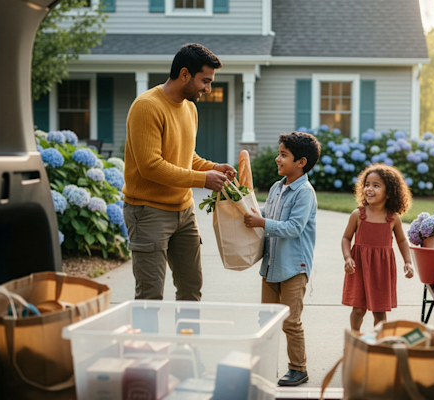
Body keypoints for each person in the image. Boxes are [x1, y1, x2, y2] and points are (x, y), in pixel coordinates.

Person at [123, 43, 236, 301]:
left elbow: (186, 157)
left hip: (184, 213)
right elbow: (151, 166)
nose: (208, 89)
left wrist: (213, 168)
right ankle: (149, 343)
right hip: (148, 212)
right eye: (205, 81)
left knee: (191, 290)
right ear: (185, 74)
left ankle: (186, 343)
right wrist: (202, 180)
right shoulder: (147, 107)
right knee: (150, 296)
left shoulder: (190, 108)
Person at [244, 132, 321, 386]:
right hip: (271, 266)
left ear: (301, 162)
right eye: (279, 153)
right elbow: (267, 212)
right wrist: (249, 209)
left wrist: (262, 222)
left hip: (293, 269)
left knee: (290, 321)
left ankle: (298, 368)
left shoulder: (305, 193)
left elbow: (293, 228)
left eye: (283, 155)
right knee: (266, 318)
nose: (278, 159)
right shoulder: (278, 187)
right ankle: (264, 364)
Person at [341, 164, 414, 332]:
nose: (369, 189)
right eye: (367, 184)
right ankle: (355, 337)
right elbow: (346, 238)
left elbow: (402, 241)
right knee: (358, 309)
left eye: (376, 185)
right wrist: (348, 257)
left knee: (380, 312)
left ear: (389, 193)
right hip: (359, 266)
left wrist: (408, 262)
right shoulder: (358, 215)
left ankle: (378, 344)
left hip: (382, 270)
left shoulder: (393, 218)